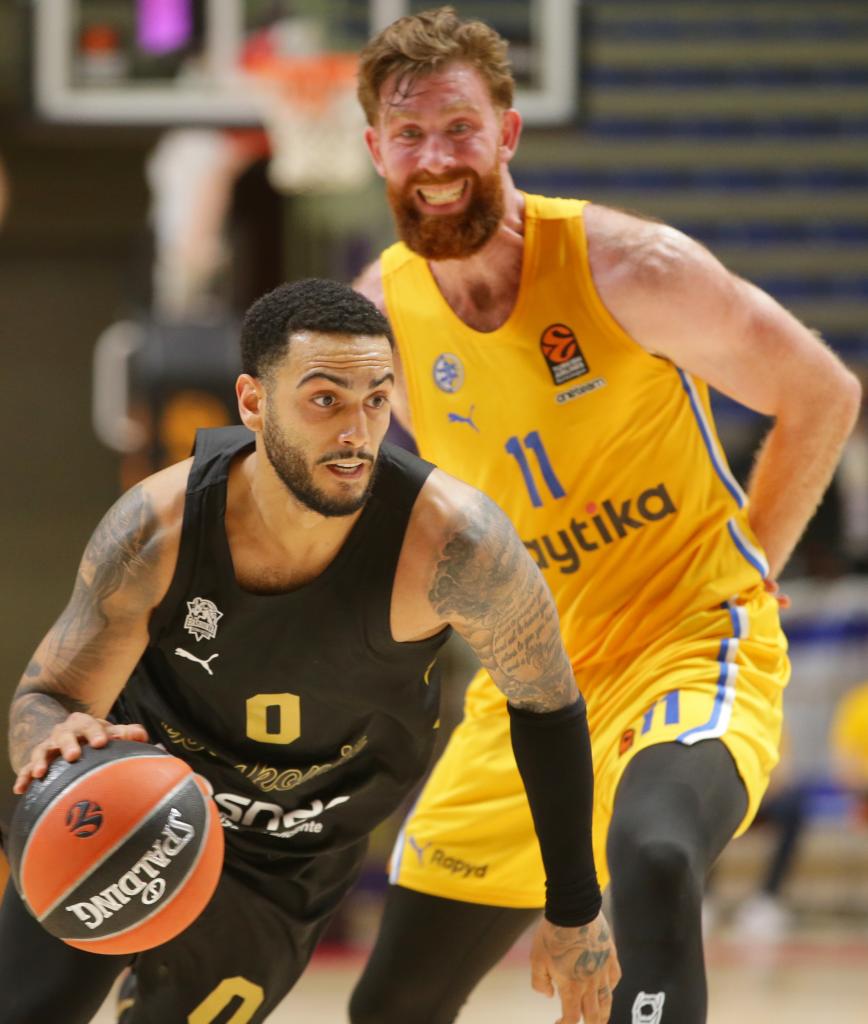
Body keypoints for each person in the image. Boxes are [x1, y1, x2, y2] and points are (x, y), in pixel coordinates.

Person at [347, 8, 863, 1024]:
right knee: (390, 1005)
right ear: (374, 151)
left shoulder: (631, 268)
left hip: (684, 642)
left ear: (507, 132)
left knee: (656, 854)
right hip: (532, 688)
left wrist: (749, 562)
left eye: (459, 128)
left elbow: (821, 392)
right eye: (410, 135)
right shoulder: (379, 318)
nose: (436, 157)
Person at [0, 278, 617, 1024]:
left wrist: (575, 905)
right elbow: (50, 696)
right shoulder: (156, 529)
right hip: (134, 801)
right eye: (325, 399)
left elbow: (547, 706)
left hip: (287, 859)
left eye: (377, 399)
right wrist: (55, 738)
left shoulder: (459, 547)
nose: (357, 430)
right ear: (254, 403)